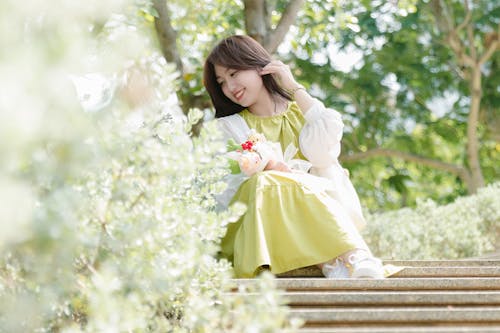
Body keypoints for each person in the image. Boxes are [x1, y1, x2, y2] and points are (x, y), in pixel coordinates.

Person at [203, 35, 385, 279]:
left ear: (259, 66)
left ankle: (342, 261)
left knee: (278, 180)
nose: (230, 87)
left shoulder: (303, 113)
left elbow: (323, 155)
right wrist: (274, 169)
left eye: (234, 73)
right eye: (222, 82)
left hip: (314, 221)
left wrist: (295, 88)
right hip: (258, 225)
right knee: (264, 182)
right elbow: (226, 190)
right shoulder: (229, 127)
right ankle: (343, 256)